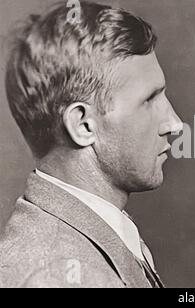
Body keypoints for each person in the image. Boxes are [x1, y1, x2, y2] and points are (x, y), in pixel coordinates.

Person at [0, 1, 182, 288]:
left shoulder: (84, 233)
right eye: (149, 100)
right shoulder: (54, 276)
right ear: (83, 125)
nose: (175, 123)